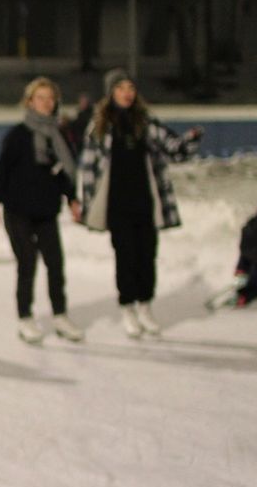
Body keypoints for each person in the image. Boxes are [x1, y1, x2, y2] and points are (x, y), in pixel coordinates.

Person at [76, 68, 203, 338]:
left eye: (130, 88)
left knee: (148, 256)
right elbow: (88, 169)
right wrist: (86, 205)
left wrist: (190, 141)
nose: (127, 93)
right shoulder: (99, 126)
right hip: (117, 205)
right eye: (121, 88)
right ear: (111, 93)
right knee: (126, 258)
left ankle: (145, 305)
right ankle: (128, 307)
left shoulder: (146, 123)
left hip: (145, 203)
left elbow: (174, 149)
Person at [0, 76, 84, 344]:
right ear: (30, 101)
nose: (46, 103)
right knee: (27, 262)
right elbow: (3, 170)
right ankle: (25, 317)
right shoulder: (18, 135)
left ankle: (61, 315)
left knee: (56, 263)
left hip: (46, 210)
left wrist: (72, 198)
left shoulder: (58, 136)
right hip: (17, 210)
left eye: (50, 98)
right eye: (41, 98)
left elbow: (63, 172)